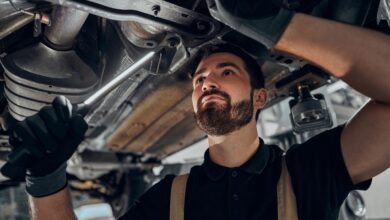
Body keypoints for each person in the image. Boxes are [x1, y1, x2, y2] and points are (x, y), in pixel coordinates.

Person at [2, 3, 390, 220]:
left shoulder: (313, 173)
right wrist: (48, 179)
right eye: (200, 78)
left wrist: (278, 27)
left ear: (260, 98)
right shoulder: (167, 200)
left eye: (226, 71)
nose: (207, 81)